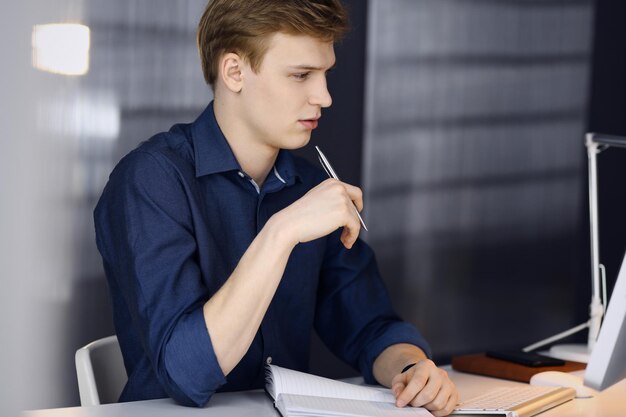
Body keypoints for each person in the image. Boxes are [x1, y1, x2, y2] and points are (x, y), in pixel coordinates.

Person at [94, 0, 458, 415]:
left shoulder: (311, 187)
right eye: (301, 75)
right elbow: (186, 373)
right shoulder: (150, 180)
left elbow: (370, 324)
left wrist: (412, 367)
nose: (324, 96)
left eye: (325, 74)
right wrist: (282, 232)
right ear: (234, 72)